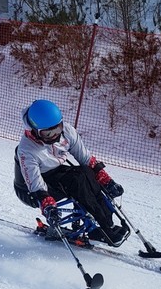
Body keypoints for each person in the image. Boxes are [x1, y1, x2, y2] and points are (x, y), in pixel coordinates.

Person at [14, 99, 129, 246]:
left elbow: (86, 159)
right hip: (31, 190)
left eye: (58, 129)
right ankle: (102, 228)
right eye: (49, 134)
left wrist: (105, 179)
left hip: (55, 173)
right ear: (34, 131)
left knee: (85, 173)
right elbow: (35, 183)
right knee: (77, 182)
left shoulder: (67, 132)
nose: (55, 136)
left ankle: (107, 223)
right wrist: (47, 205)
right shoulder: (27, 149)